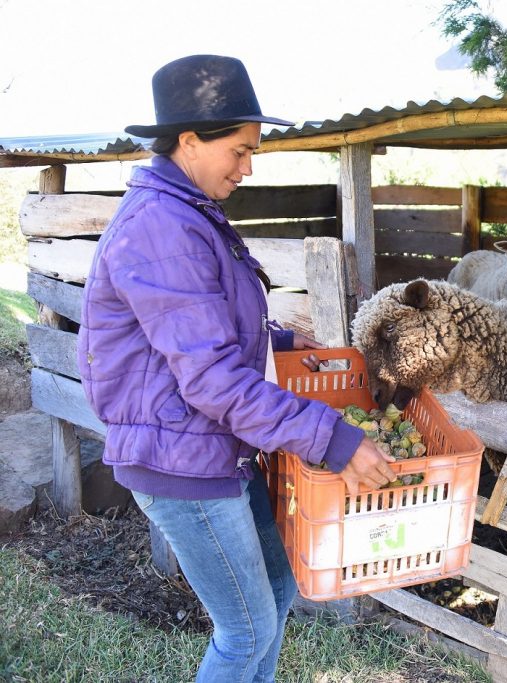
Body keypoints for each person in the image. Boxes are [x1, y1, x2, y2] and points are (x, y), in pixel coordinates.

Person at [77, 54, 396, 682]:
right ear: (190, 141)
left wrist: (280, 337)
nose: (248, 167)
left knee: (276, 594)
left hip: (214, 444)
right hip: (179, 460)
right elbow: (213, 377)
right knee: (245, 629)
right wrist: (330, 436)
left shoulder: (190, 214)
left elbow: (202, 330)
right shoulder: (162, 228)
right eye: (240, 150)